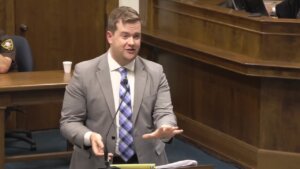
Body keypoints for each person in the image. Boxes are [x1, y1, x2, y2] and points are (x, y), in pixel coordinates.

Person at [60, 6, 183, 169]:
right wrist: (89, 136)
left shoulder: (155, 72)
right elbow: (69, 121)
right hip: (96, 162)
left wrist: (165, 126)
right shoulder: (84, 72)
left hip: (145, 161)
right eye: (125, 36)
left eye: (136, 36)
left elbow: (164, 112)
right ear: (110, 36)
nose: (131, 43)